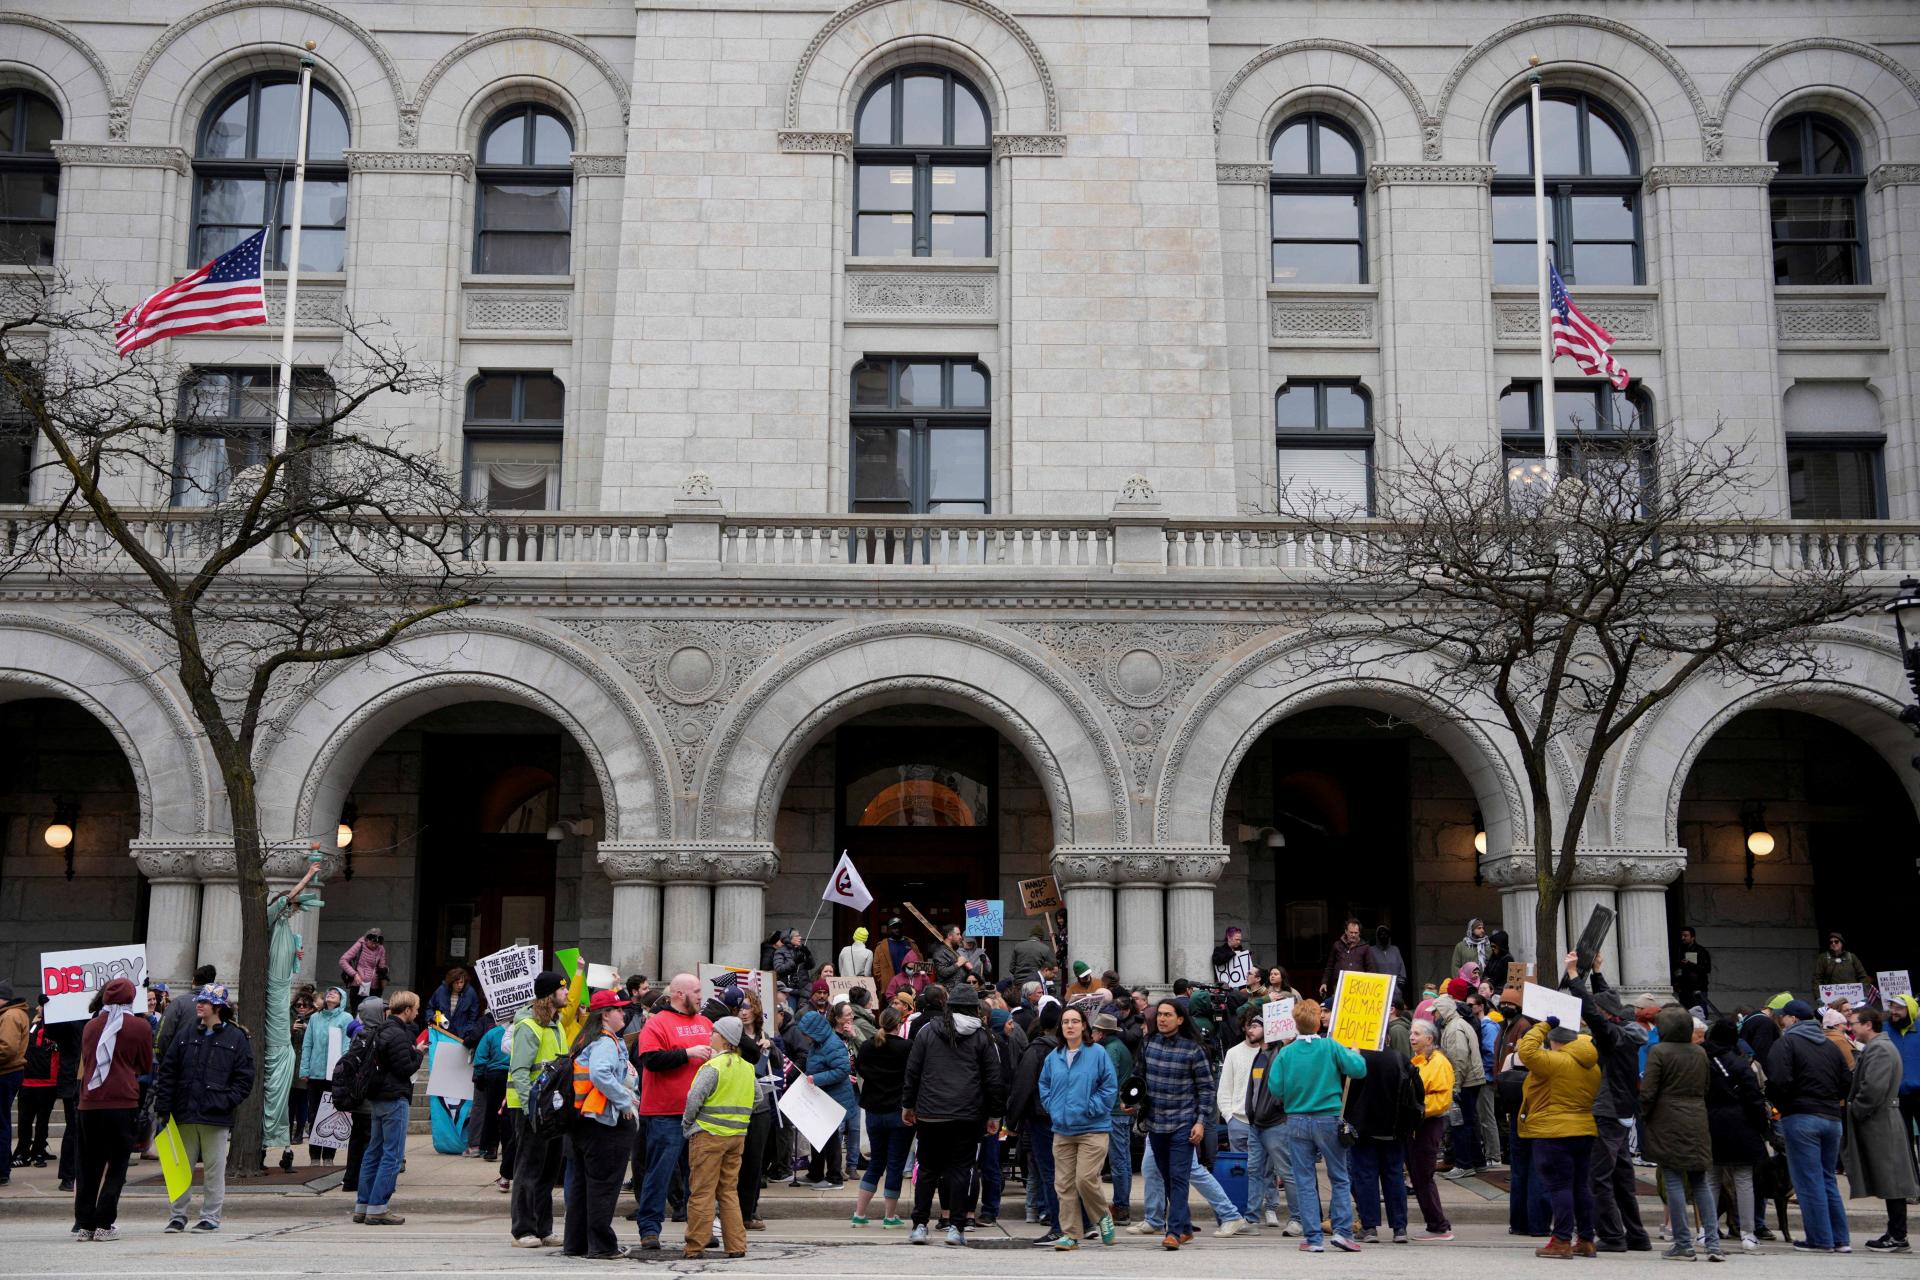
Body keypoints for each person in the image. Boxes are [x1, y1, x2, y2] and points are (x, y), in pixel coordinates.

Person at [901, 982, 1005, 1246]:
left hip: (931, 1113)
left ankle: (920, 1225)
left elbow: (913, 1071)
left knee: (927, 1170)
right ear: (973, 1009)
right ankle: (956, 1227)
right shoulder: (983, 1036)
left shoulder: (927, 1032)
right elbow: (994, 1080)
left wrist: (908, 1105)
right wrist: (995, 1115)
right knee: (961, 1171)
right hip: (967, 1115)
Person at [1561, 953, 1651, 1252]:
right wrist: (1597, 973)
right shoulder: (1627, 1029)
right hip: (1622, 1113)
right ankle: (1637, 1236)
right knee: (1622, 1177)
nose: (1590, 1017)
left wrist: (1574, 977)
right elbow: (1607, 1002)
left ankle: (1613, 1236)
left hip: (1608, 1112)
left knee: (1597, 1177)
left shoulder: (1613, 1036)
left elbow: (1594, 1010)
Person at [1267, 998, 1367, 1253]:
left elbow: (1275, 1088)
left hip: (1297, 1119)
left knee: (1304, 1179)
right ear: (1318, 1021)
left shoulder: (1286, 1053)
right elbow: (1358, 1070)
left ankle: (1313, 1238)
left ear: (1295, 1024)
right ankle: (1342, 1232)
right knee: (1339, 1177)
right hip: (1328, 1117)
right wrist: (1355, 1053)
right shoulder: (1330, 1046)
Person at [152, 982, 252, 1232]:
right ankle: (177, 1216)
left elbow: (244, 1078)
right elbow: (168, 1071)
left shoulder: (236, 1037)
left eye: (204, 1002)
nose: (199, 1004)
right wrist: (164, 1107)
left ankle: (210, 1216)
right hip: (184, 1112)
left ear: (217, 1007)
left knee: (214, 1170)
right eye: (200, 1001)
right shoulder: (186, 1033)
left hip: (214, 1115)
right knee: (179, 1169)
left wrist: (226, 1101)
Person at [634, 973, 715, 1250]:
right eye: (695, 991)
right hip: (665, 1112)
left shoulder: (705, 1022)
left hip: (701, 1114)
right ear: (679, 995)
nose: (700, 995)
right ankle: (649, 1229)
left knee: (700, 1176)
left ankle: (701, 1228)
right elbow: (652, 1061)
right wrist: (688, 1053)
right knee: (660, 1172)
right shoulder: (657, 1023)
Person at [1766, 998, 1851, 1252]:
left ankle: (1820, 1239)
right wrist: (1832, 1100)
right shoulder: (1830, 1045)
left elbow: (1778, 1080)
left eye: (1784, 1017)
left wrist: (1784, 1105)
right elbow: (1847, 1080)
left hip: (1801, 1116)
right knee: (1827, 1179)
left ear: (1793, 1019)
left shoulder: (1786, 1043)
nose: (1782, 1021)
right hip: (1832, 1117)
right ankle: (1840, 1239)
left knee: (1808, 1180)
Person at [73, 976, 153, 1242]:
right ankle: (104, 1224)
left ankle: (84, 1223)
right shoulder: (140, 1026)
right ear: (131, 999)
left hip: (90, 1102)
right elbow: (145, 1064)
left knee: (88, 1165)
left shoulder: (91, 1026)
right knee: (117, 1166)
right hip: (122, 1102)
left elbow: (86, 1059)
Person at [560, 989, 639, 1259]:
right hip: (604, 1124)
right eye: (618, 1009)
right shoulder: (606, 1042)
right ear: (605, 1015)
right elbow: (601, 1073)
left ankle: (575, 1243)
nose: (623, 1013)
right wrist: (624, 1102)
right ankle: (603, 1246)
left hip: (583, 1122)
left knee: (583, 1186)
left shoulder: (584, 1038)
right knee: (603, 1187)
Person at [1516, 1015, 1601, 1259]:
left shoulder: (1555, 1061)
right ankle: (1586, 1238)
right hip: (1584, 1129)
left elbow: (1527, 1051)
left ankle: (1561, 1240)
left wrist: (1544, 1025)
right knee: (1580, 1186)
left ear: (1553, 1041)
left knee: (1559, 1186)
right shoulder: (1591, 1064)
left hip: (1554, 1131)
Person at [1641, 1005, 1719, 1261]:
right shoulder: (1699, 1053)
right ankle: (1713, 1243)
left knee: (1673, 1179)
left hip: (1667, 1118)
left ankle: (1683, 1243)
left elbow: (1649, 1091)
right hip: (1697, 1116)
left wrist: (1644, 1115)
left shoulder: (1659, 1051)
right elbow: (1706, 1087)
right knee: (1700, 1181)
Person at [1038, 1005, 1118, 1250]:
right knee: (1064, 1184)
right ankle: (1071, 1234)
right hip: (1062, 1130)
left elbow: (1109, 1087)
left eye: (1075, 1021)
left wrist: (1090, 1107)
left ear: (1084, 1025)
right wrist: (1054, 1107)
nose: (1070, 1025)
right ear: (1060, 1027)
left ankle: (1102, 1216)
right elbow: (1044, 1086)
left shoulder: (1097, 1053)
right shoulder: (1054, 1057)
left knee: (1084, 1179)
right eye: (1065, 1022)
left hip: (1092, 1129)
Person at [1140, 998, 1215, 1251]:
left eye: (1168, 1015)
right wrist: (1132, 1101)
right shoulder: (1148, 1044)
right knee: (1168, 1178)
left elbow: (1206, 1090)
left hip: (1183, 1123)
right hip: (1155, 1124)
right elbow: (1139, 1081)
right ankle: (1184, 1227)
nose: (1162, 1019)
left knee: (1179, 1177)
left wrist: (1201, 1122)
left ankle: (1172, 1232)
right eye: (1159, 1015)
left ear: (1180, 1019)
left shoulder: (1194, 1049)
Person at [679, 1015, 753, 1260]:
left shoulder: (713, 1067)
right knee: (729, 1192)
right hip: (737, 1136)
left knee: (701, 1192)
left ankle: (695, 1246)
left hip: (708, 1135)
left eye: (713, 1032)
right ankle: (736, 1245)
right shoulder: (747, 1067)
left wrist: (688, 1123)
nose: (710, 1036)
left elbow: (694, 1099)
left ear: (723, 1038)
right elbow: (759, 1099)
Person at [1846, 1008, 1915, 1252]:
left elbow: (1873, 1089)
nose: (1850, 1027)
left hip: (1881, 1121)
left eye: (1852, 1023)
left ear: (1867, 1025)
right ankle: (1895, 1233)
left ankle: (1898, 1235)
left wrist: (1856, 1109)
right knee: (1890, 1178)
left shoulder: (1880, 1049)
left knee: (1892, 1179)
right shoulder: (1879, 1048)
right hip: (1881, 1119)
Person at [507, 972, 567, 1244]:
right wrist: (531, 1110)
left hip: (552, 1110)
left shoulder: (557, 1024)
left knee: (548, 1173)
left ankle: (544, 1228)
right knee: (528, 1170)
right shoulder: (528, 1026)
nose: (566, 994)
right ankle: (523, 1230)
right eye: (561, 990)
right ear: (549, 995)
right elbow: (520, 1072)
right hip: (531, 1109)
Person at [354, 988, 421, 1226]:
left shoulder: (381, 1030)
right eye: (415, 1008)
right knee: (392, 1155)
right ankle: (378, 1207)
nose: (417, 1012)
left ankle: (363, 1205)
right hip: (394, 1097)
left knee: (373, 1152)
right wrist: (419, 1054)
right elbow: (405, 1068)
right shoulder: (398, 1034)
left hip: (378, 1097)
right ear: (407, 1010)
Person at [1703, 1018, 1767, 1252]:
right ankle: (1748, 1233)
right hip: (1741, 1125)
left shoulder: (1703, 1059)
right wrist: (1763, 1128)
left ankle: (1705, 1230)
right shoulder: (1741, 1064)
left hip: (1709, 1123)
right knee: (1743, 1180)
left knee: (1711, 1179)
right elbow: (1754, 1098)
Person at [1344, 1040, 1414, 1244]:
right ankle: (1399, 1228)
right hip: (1394, 1128)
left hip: (1364, 1128)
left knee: (1365, 1177)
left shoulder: (1358, 1059)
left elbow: (1347, 1092)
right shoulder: (1399, 1058)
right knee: (1394, 1177)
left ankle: (1370, 1227)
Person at [851, 1006, 913, 1228]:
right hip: (898, 1112)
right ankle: (889, 1216)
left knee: (875, 1162)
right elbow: (912, 1075)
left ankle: (859, 1213)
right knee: (895, 1164)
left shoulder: (868, 1046)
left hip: (874, 1111)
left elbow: (860, 1069)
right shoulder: (907, 1047)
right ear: (899, 1024)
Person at [1007, 1002, 1063, 1243]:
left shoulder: (1036, 1050)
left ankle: (1057, 1221)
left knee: (1049, 1172)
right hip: (1067, 1119)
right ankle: (1082, 1220)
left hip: (1042, 1120)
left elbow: (1022, 1087)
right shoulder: (1067, 1049)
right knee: (1069, 1173)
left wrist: (1012, 1121)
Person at [796, 1006, 855, 1187]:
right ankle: (816, 1173)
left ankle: (834, 1178)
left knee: (830, 1139)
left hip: (834, 1098)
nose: (804, 1037)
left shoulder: (832, 1043)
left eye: (806, 1033)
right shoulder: (820, 1042)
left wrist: (816, 1079)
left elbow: (842, 1070)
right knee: (818, 1136)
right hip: (823, 1097)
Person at [1432, 994, 1486, 1176]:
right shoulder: (1458, 1024)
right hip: (1470, 1079)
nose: (1434, 1016)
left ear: (1444, 1010)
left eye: (1436, 1012)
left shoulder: (1454, 1028)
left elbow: (1459, 1059)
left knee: (1460, 1123)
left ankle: (1464, 1165)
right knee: (1468, 1121)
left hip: (1465, 1082)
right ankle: (1477, 1162)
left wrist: (1455, 1086)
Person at [296, 987, 351, 1165]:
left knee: (332, 1114)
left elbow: (347, 1044)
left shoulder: (346, 1018)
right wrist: (304, 1069)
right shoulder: (314, 1018)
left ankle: (328, 1156)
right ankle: (314, 1156)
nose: (331, 994)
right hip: (316, 1073)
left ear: (342, 998)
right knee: (313, 1115)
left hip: (335, 1075)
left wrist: (342, 1069)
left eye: (335, 993)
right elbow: (308, 1044)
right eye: (329, 992)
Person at [1089, 1011, 1135, 1224]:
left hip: (1115, 1111)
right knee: (1122, 1160)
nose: (1093, 1034)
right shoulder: (1118, 1047)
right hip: (1120, 1111)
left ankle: (1121, 1207)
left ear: (1102, 1032)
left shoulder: (1110, 1050)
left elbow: (1109, 1079)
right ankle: (1121, 1205)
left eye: (1096, 1031)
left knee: (1119, 1161)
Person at [12, 997, 56, 1169]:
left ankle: (38, 1149)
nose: (38, 1008)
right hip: (28, 1081)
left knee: (42, 1121)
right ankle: (23, 1151)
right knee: (25, 1120)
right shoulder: (32, 1025)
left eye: (42, 1006)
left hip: (47, 1082)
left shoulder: (55, 1027)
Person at [1889, 995, 1920, 1179]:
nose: (1894, 1012)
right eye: (1892, 1007)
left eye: (1899, 1008)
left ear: (1910, 1010)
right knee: (1904, 1143)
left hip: (1919, 1093)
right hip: (1897, 1096)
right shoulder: (1885, 1030)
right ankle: (1913, 1184)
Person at [154, 965, 213, 1062]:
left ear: (193, 981)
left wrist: (165, 1061)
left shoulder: (179, 1002)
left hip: (179, 1065)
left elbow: (163, 1035)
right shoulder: (220, 1007)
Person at [0, 980, 27, 1183]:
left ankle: (2, 1169)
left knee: (1, 1123)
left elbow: (6, 1048)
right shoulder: (12, 1014)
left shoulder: (10, 1016)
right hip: (10, 1073)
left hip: (5, 1073)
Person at [1318, 917, 1376, 997]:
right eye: (1351, 932)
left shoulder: (1365, 947)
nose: (1353, 935)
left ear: (1359, 933)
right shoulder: (1337, 945)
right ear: (1346, 931)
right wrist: (1324, 983)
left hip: (1358, 986)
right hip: (1340, 985)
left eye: (1356, 933)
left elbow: (1371, 969)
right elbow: (1329, 966)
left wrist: (1369, 988)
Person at [427, 967, 481, 1042]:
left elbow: (473, 1017)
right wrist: (433, 1017)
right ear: (451, 982)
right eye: (456, 983)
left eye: (461, 982)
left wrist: (466, 1033)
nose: (459, 985)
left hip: (460, 1036)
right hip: (441, 1033)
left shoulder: (470, 993)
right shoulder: (441, 990)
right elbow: (429, 1008)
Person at [339, 929, 388, 997]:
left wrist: (384, 978)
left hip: (375, 988)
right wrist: (355, 974)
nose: (374, 945)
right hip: (359, 985)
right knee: (357, 1006)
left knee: (374, 1007)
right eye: (372, 942)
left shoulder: (381, 948)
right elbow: (343, 960)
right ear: (367, 939)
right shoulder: (360, 945)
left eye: (377, 943)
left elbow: (381, 966)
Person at [1673, 927, 1712, 1013]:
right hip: (1684, 988)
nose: (1683, 938)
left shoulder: (1701, 951)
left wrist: (1689, 964)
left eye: (1685, 936)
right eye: (1682, 935)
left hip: (1697, 987)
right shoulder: (1680, 950)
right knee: (1685, 1013)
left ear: (1693, 937)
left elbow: (1706, 969)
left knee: (1700, 1012)